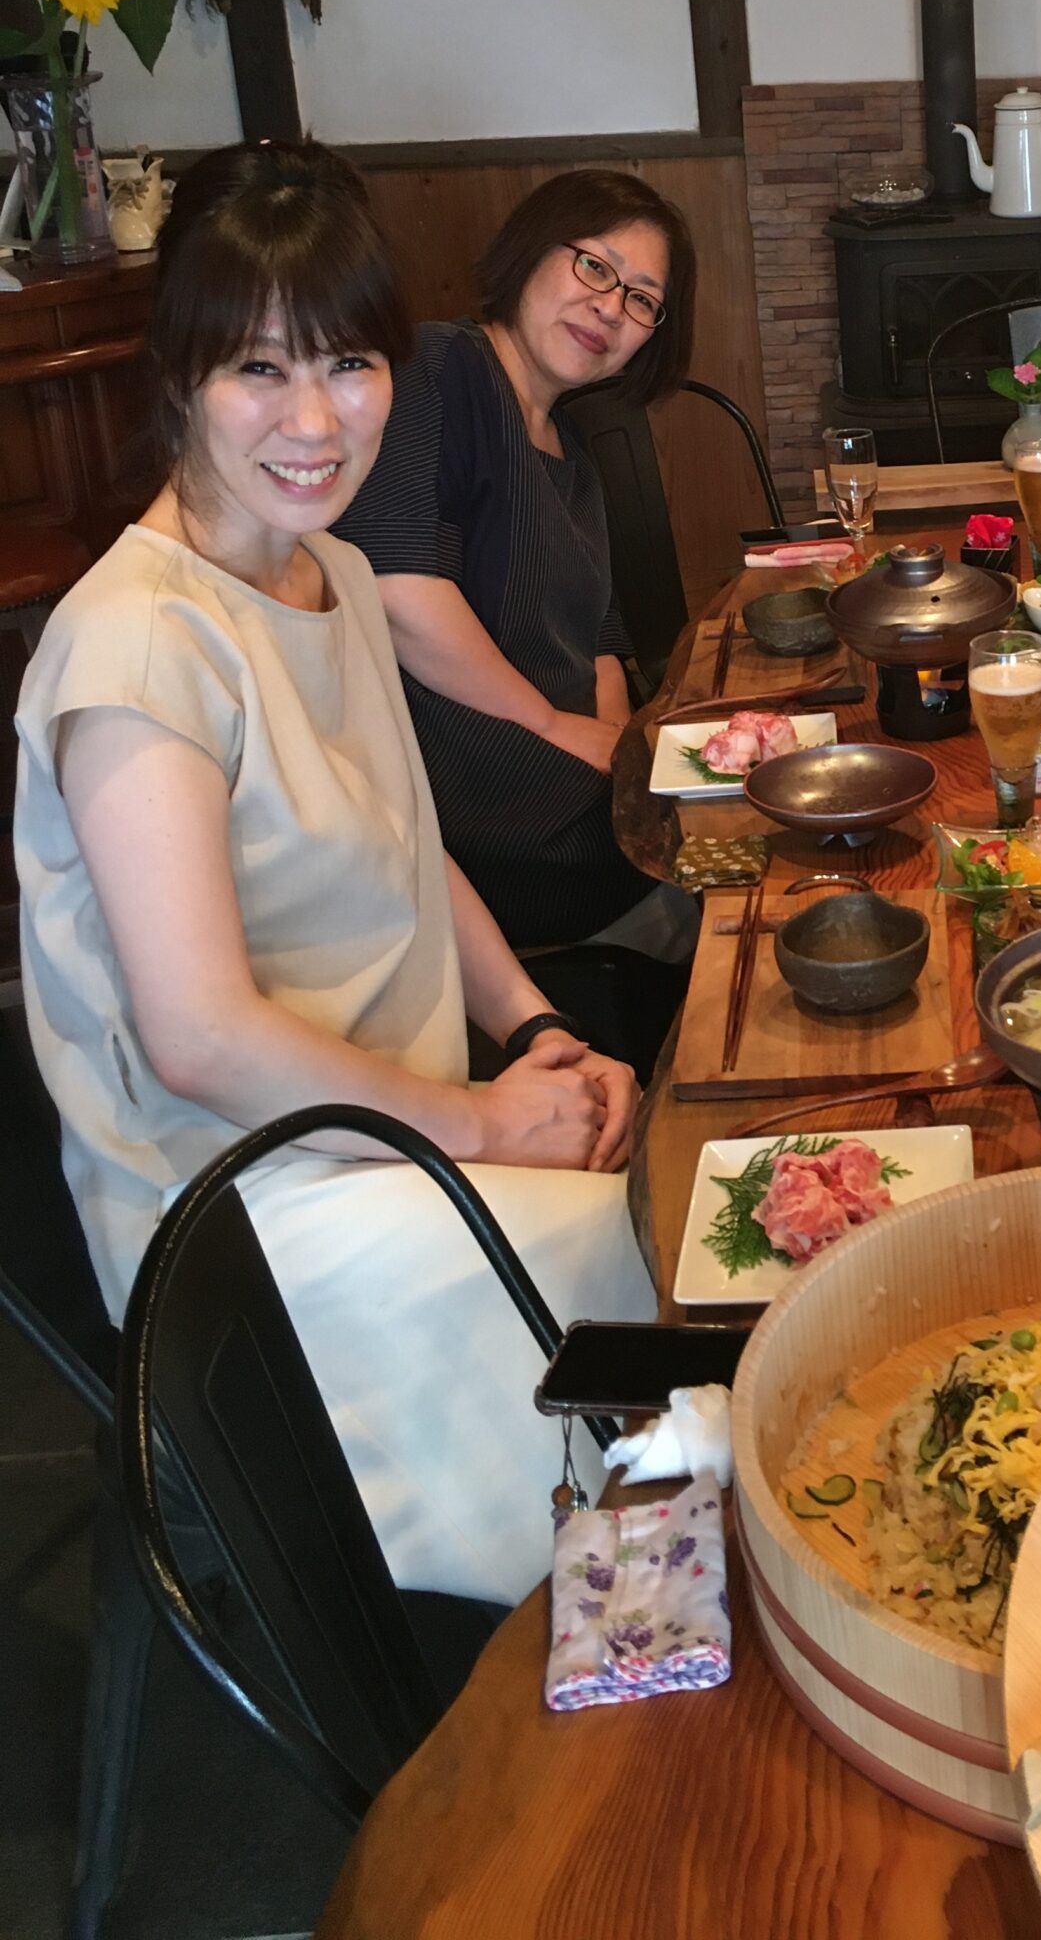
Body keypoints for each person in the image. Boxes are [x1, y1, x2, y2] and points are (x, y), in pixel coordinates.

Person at [15, 142, 651, 1607]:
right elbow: (200, 1037)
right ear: (178, 377)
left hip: (395, 1131)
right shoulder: (135, 648)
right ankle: (586, 1649)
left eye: (349, 366)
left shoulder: (335, 573)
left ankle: (644, 1599)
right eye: (258, 370)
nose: (314, 421)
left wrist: (538, 1029)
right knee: (622, 1263)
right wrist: (479, 1122)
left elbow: (408, 846)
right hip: (244, 1220)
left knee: (662, 1198)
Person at [331, 170, 697, 966]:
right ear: (530, 251)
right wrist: (556, 728)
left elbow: (600, 639)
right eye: (595, 266)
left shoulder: (575, 454)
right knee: (736, 842)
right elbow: (397, 590)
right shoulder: (438, 368)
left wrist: (617, 748)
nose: (611, 308)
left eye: (642, 299)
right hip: (485, 807)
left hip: (574, 788)